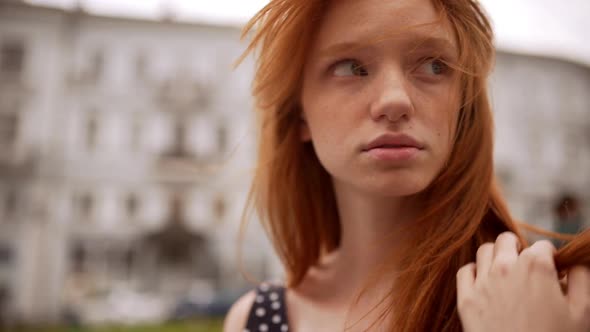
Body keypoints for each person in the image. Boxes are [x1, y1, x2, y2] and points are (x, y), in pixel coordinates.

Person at [224, 0, 590, 331]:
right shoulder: (256, 321)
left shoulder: (556, 302)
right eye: (351, 67)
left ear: (463, 104)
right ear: (299, 112)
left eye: (434, 65)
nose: (395, 100)